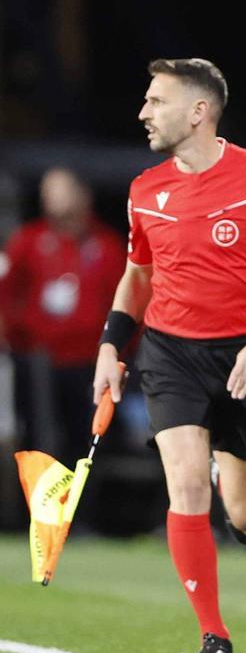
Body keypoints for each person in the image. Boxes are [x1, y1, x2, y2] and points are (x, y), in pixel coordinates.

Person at [92, 59, 246, 653]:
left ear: (198, 111)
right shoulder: (145, 189)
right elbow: (136, 277)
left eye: (156, 101)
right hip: (169, 353)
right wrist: (112, 348)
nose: (144, 112)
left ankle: (234, 482)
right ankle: (213, 636)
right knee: (186, 483)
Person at [0, 168, 126, 455]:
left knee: (87, 437)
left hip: (89, 363)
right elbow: (6, 294)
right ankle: (34, 499)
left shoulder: (107, 246)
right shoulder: (27, 241)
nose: (52, 198)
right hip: (37, 362)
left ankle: (92, 498)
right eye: (47, 191)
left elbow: (126, 303)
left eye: (61, 189)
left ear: (84, 195)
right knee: (37, 438)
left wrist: (119, 352)